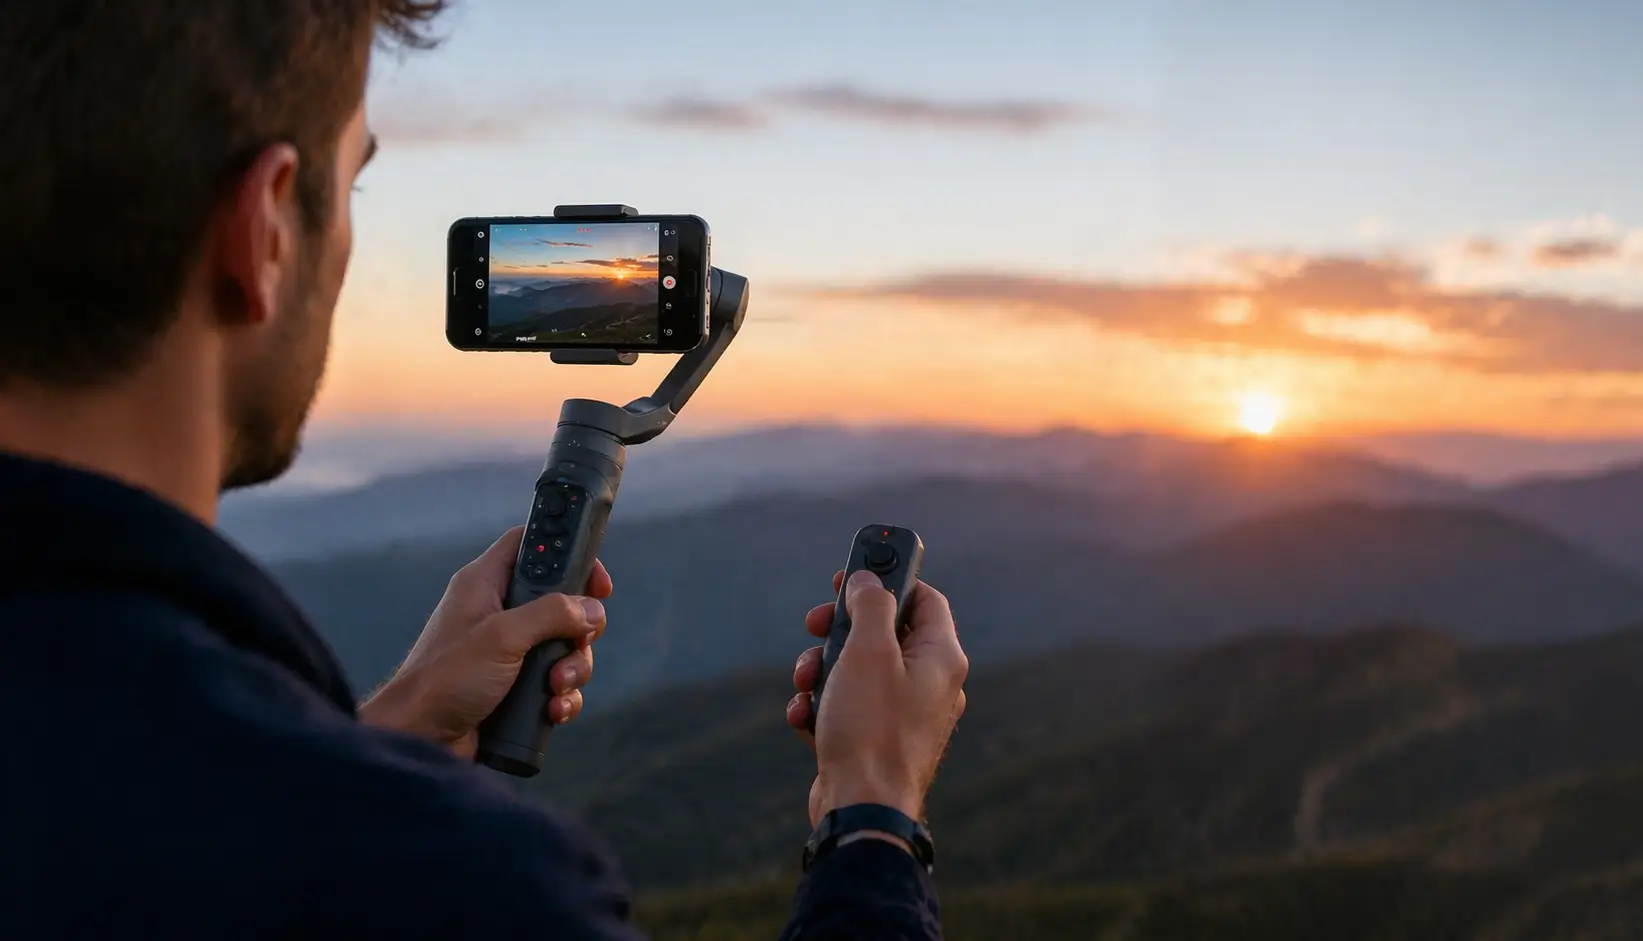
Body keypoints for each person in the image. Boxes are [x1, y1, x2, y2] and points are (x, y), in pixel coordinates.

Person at [0, 2, 970, 938]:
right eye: (352, 188)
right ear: (263, 232)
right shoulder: (466, 888)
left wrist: (386, 735)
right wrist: (872, 809)